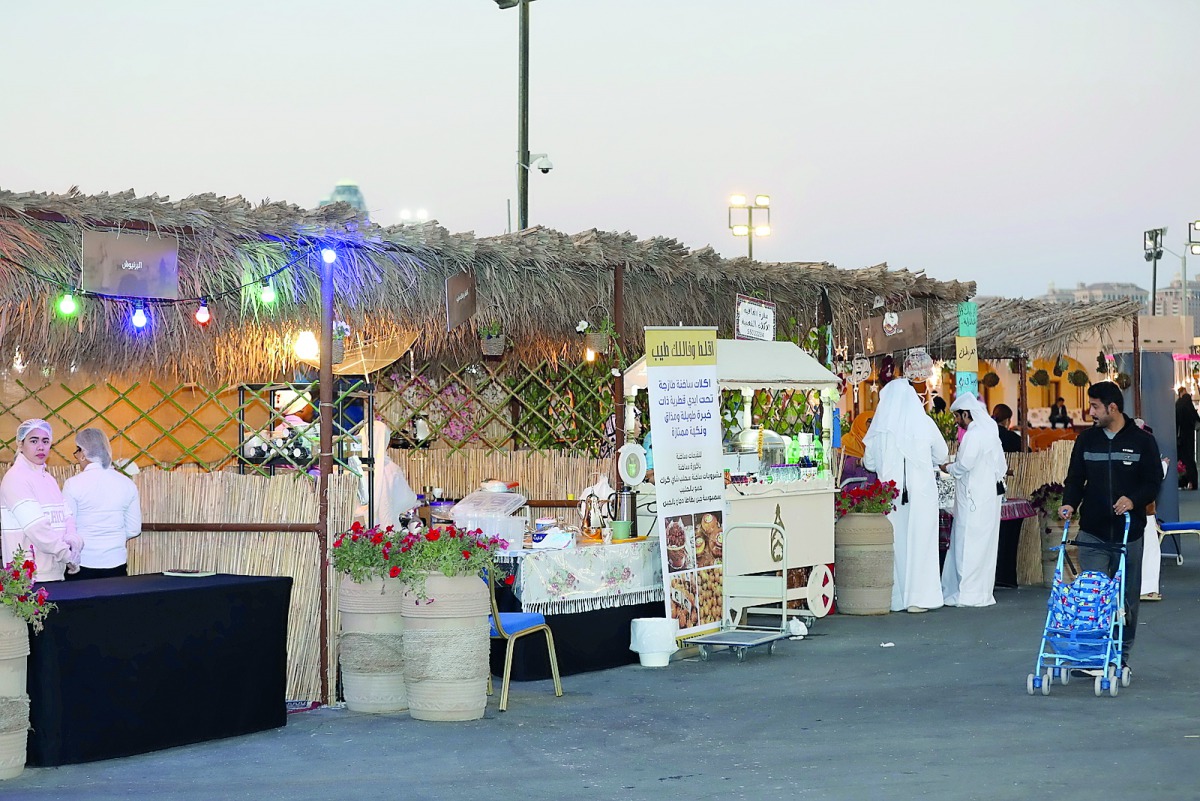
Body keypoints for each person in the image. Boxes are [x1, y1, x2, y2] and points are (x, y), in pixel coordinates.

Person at [1059, 381, 1162, 673]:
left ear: (1112, 408)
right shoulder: (1086, 441)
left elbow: (1153, 482)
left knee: (1126, 600)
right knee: (1092, 595)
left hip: (1130, 536)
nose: (1089, 411)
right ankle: (1092, 655)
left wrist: (1134, 500)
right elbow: (1075, 479)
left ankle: (1120, 656)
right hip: (1093, 533)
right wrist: (1069, 503)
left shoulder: (1143, 441)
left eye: (1094, 406)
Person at [863, 379, 949, 613]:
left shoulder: (880, 429)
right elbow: (942, 454)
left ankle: (895, 598)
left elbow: (869, 463)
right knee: (921, 543)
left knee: (894, 544)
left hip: (890, 495)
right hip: (921, 493)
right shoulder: (925, 423)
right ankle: (920, 599)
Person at [940, 393, 1007, 607]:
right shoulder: (990, 432)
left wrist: (948, 468)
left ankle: (967, 593)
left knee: (967, 543)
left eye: (958, 416)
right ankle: (981, 592)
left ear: (966, 414)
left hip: (973, 498)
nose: (956, 421)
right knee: (984, 545)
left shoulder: (974, 434)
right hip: (987, 497)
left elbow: (964, 465)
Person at [0, 419, 82, 581]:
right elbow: (37, 528)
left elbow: (67, 516)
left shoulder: (48, 478)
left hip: (54, 572)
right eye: (33, 440)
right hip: (29, 578)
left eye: (45, 441)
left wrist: (72, 541)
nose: (40, 447)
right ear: (20, 444)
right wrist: (67, 555)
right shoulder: (16, 478)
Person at [62, 428, 142, 579]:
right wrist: (111, 538)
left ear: (84, 453)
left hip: (82, 563)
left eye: (77, 451)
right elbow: (134, 528)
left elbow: (67, 526)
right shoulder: (127, 484)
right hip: (116, 562)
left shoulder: (73, 484)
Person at [1175, 387, 1199, 490]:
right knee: (1190, 460)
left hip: (1181, 437)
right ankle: (1193, 481)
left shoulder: (1179, 404)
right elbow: (1196, 418)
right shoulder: (1189, 404)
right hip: (1189, 436)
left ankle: (1182, 482)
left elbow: (1176, 421)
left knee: (1181, 459)